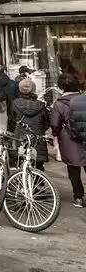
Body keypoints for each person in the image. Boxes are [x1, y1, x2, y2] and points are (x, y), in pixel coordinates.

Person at [51, 73, 86, 207]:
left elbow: (55, 124)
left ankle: (78, 197)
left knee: (73, 170)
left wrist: (55, 136)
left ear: (61, 88)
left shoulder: (59, 104)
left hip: (70, 141)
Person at [12, 77, 49, 171]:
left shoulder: (15, 104)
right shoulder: (41, 105)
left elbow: (11, 120)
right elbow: (46, 123)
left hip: (20, 137)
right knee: (38, 164)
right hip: (37, 137)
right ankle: (37, 182)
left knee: (21, 161)